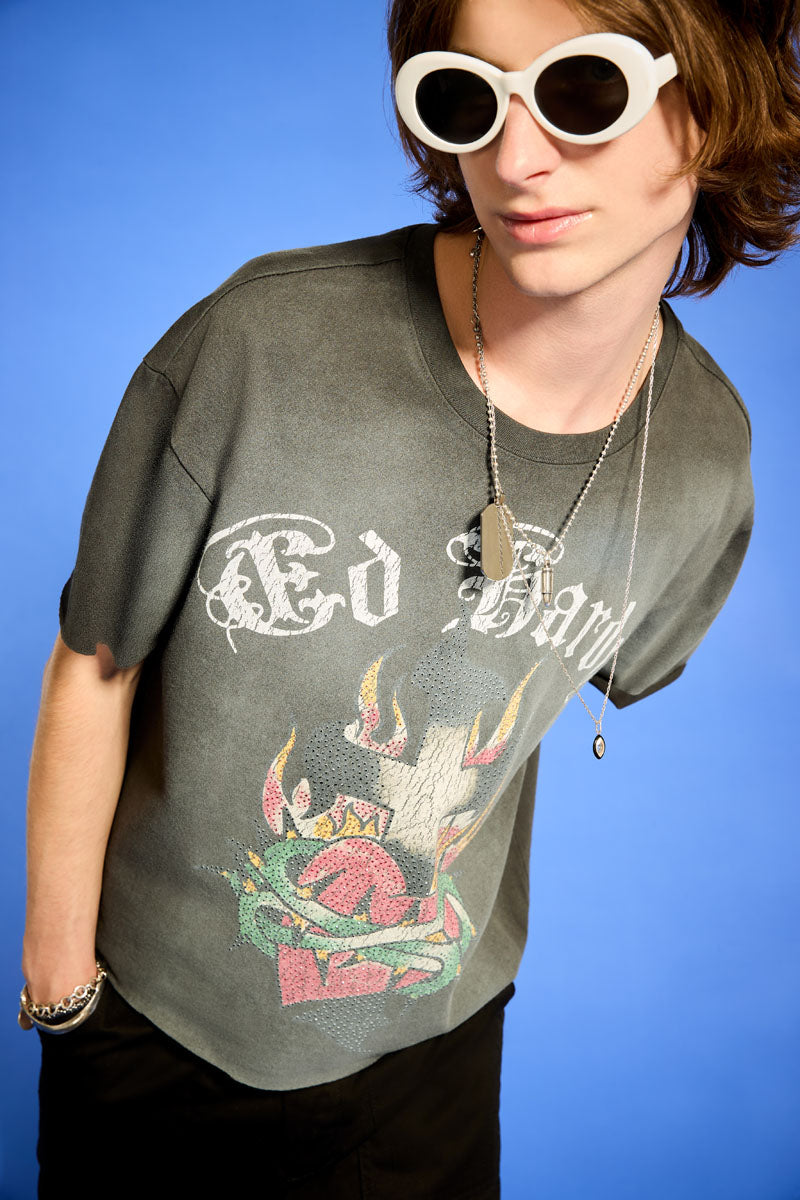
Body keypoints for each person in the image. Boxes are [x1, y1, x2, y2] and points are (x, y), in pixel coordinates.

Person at [20, 0, 800, 1195]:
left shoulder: (701, 458)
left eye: (581, 90)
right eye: (466, 97)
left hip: (435, 1062)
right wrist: (64, 995)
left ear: (713, 103)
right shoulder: (260, 342)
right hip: (160, 1039)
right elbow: (96, 659)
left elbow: (596, 672)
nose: (517, 157)